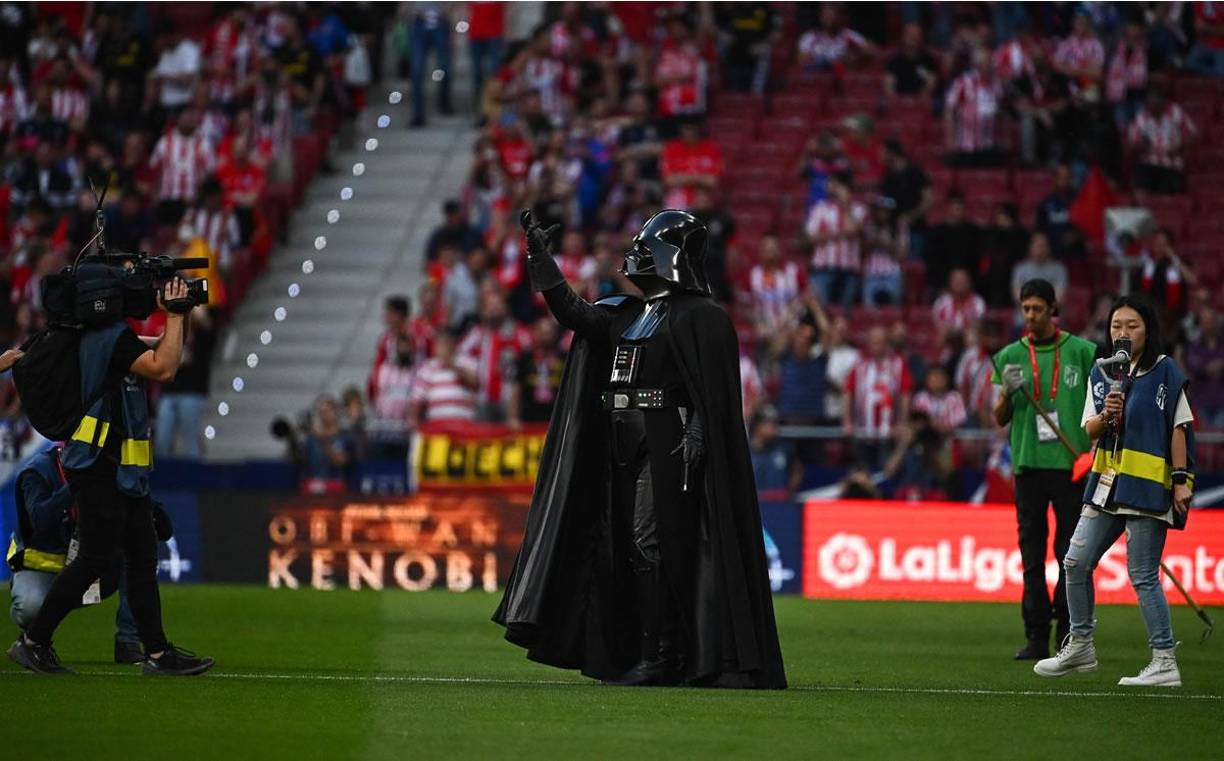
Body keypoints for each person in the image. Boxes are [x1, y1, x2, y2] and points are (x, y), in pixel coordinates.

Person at [495, 209, 786, 689]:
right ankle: (649, 650)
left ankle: (663, 654)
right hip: (618, 442)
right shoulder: (627, 314)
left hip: (666, 444)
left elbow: (711, 397)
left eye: (645, 248)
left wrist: (697, 433)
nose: (634, 255)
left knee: (651, 542)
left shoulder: (702, 318)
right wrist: (541, 259)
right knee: (628, 546)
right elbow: (574, 312)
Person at [8, 277, 214, 676]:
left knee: (141, 556)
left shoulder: (100, 337)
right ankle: (33, 642)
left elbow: (160, 348)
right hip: (101, 465)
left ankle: (155, 653)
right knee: (93, 559)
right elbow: (166, 367)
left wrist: (179, 314)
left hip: (118, 467)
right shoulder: (109, 338)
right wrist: (172, 313)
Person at [1035, 295, 1196, 687]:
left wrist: (1181, 479)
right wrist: (1108, 413)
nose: (1122, 333)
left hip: (1145, 485)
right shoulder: (1102, 372)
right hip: (1106, 482)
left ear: (1148, 330)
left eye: (1132, 326)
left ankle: (1163, 660)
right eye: (1116, 326)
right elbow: (1089, 428)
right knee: (1074, 562)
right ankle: (1082, 645)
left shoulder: (1165, 371)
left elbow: (1180, 425)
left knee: (1141, 574)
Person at [992, 278, 1097, 661]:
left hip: (1072, 467)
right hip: (1028, 465)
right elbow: (999, 418)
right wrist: (1007, 392)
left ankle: (1070, 632)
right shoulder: (1008, 357)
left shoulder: (1084, 353)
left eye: (1038, 308)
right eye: (1026, 309)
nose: (1031, 316)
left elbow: (1101, 403)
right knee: (1032, 555)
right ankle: (1037, 635)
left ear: (1053, 309)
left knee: (1071, 554)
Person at [6, 447, 145, 664]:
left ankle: (128, 642)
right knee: (30, 606)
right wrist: (74, 489)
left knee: (137, 551)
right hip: (43, 570)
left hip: (86, 575)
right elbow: (40, 521)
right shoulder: (37, 472)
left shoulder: (105, 469)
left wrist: (151, 512)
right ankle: (34, 637)